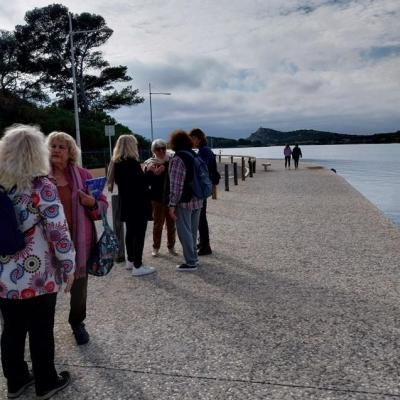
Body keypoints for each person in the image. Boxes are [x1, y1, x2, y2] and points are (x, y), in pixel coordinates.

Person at [0, 125, 75, 399]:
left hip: (4, 275)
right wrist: (69, 266)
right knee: (41, 330)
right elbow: (59, 232)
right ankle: (46, 382)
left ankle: (16, 381)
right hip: (38, 274)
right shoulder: (42, 186)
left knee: (11, 329)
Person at [47, 131, 108, 346]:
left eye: (61, 146)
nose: (55, 149)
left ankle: (77, 322)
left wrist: (91, 203)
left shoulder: (83, 176)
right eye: (52, 145)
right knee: (46, 288)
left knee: (79, 288)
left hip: (80, 241)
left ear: (70, 151)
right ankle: (43, 329)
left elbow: (102, 207)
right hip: (48, 243)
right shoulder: (40, 176)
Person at [113, 134, 155, 276]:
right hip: (138, 204)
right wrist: (151, 172)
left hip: (126, 202)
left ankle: (130, 261)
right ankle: (138, 265)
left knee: (130, 232)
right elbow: (142, 184)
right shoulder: (132, 163)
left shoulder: (117, 163)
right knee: (139, 234)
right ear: (132, 146)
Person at [168, 130, 203, 271]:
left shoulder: (178, 159)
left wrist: (171, 204)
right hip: (198, 199)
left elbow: (176, 185)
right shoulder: (193, 155)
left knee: (184, 232)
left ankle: (190, 262)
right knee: (193, 231)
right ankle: (194, 257)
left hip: (184, 201)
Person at [143, 139, 177, 257]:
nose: (161, 151)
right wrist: (152, 172)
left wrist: (166, 167)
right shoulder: (149, 163)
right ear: (153, 150)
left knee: (171, 224)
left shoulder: (171, 161)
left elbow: (176, 175)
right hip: (157, 199)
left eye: (163, 148)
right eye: (158, 148)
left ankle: (171, 246)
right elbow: (146, 182)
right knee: (158, 224)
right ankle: (156, 247)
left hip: (170, 197)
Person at [189, 128, 218, 256]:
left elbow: (202, 171)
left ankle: (205, 246)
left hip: (202, 188)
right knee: (201, 216)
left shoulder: (204, 152)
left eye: (192, 138)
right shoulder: (205, 151)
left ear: (197, 138)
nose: (191, 141)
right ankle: (203, 243)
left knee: (201, 217)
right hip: (205, 187)